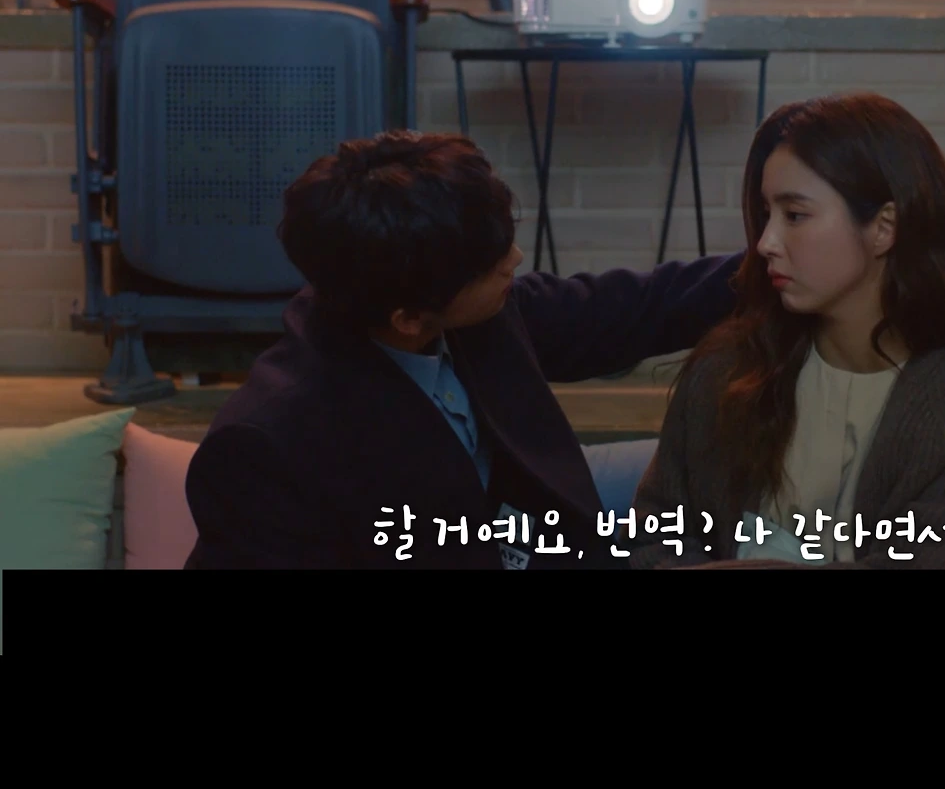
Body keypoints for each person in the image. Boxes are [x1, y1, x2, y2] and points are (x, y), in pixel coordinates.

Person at [183, 130, 743, 569]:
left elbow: (640, 307)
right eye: (491, 263)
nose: (515, 260)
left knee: (712, 474)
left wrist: (773, 263)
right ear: (408, 318)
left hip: (538, 527)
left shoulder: (469, 308)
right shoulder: (268, 447)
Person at [626, 93, 945, 571]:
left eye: (795, 215)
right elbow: (654, 535)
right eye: (766, 214)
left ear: (884, 227)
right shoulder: (726, 369)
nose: (765, 243)